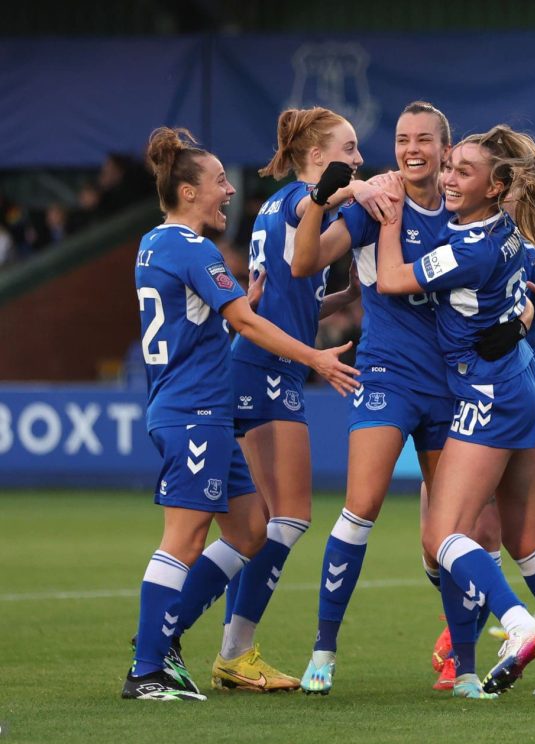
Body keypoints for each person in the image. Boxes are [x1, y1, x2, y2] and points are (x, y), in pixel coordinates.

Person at [377, 125, 535, 698]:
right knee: (526, 538)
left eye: (463, 171)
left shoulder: (468, 247)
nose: (449, 177)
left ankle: (517, 623)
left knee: (444, 534)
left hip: (489, 392)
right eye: (450, 166)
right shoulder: (510, 230)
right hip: (524, 383)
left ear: (496, 186)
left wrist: (388, 220)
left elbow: (389, 281)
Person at [124, 127, 359, 701]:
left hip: (204, 407)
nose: (229, 191)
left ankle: (166, 644)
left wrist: (240, 305)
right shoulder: (194, 248)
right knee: (182, 539)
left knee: (252, 527)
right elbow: (247, 324)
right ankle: (149, 666)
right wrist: (315, 359)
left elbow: (216, 312)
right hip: (193, 409)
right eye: (219, 182)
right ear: (186, 193)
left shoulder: (153, 245)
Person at [292, 102, 503, 697]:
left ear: (445, 147)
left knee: (451, 534)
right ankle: (323, 651)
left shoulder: (466, 208)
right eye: (403, 139)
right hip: (385, 377)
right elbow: (305, 261)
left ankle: (462, 666)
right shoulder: (375, 205)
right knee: (361, 505)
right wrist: (324, 199)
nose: (412, 149)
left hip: (451, 387)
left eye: (425, 140)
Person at [211, 107, 364, 691]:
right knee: (286, 519)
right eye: (348, 148)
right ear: (318, 157)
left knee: (271, 521)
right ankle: (229, 648)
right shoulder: (305, 201)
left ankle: (231, 649)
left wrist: (336, 297)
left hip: (265, 367)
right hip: (266, 370)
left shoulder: (275, 207)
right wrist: (356, 191)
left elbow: (284, 301)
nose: (357, 157)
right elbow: (313, 205)